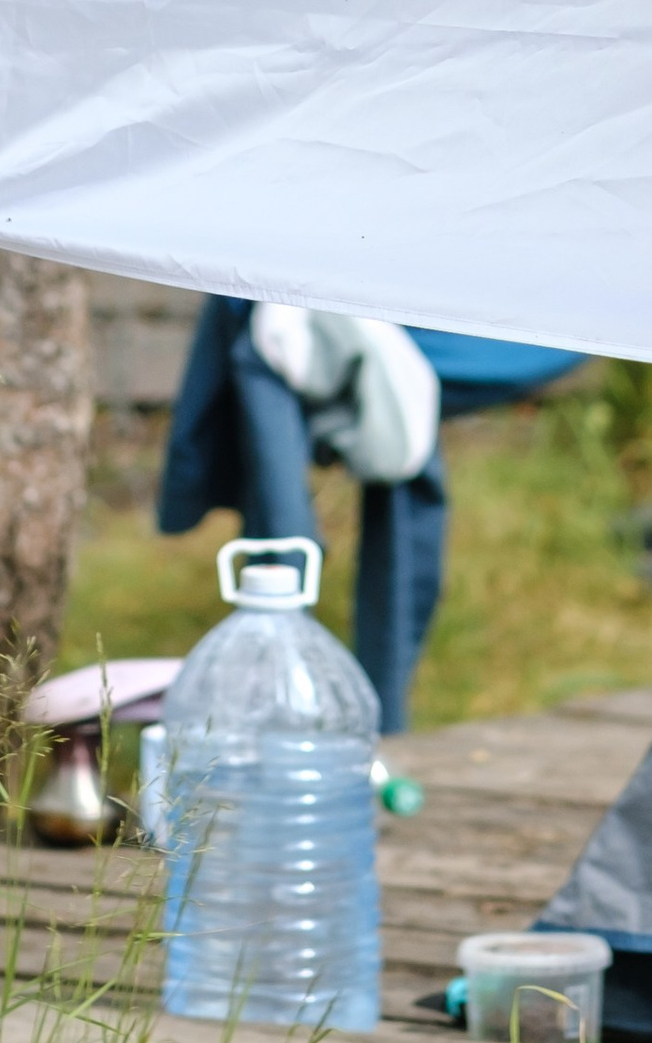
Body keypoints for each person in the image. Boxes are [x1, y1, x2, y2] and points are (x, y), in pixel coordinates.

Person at [157, 301, 586, 733]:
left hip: (419, 323)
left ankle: (366, 714)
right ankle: (280, 696)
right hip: (292, 317)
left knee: (295, 356)